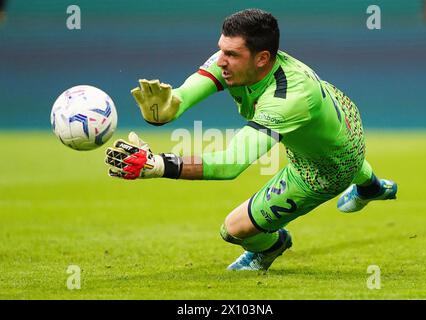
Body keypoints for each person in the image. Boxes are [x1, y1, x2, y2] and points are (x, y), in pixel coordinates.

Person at [105, 9, 398, 271]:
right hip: (342, 116)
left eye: (231, 54)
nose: (221, 61)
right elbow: (181, 97)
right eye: (221, 49)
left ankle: (272, 246)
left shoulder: (287, 100)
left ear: (262, 59)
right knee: (324, 143)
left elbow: (229, 165)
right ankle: (371, 186)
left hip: (325, 168)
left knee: (233, 230)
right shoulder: (233, 62)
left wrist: (158, 165)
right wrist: (163, 111)